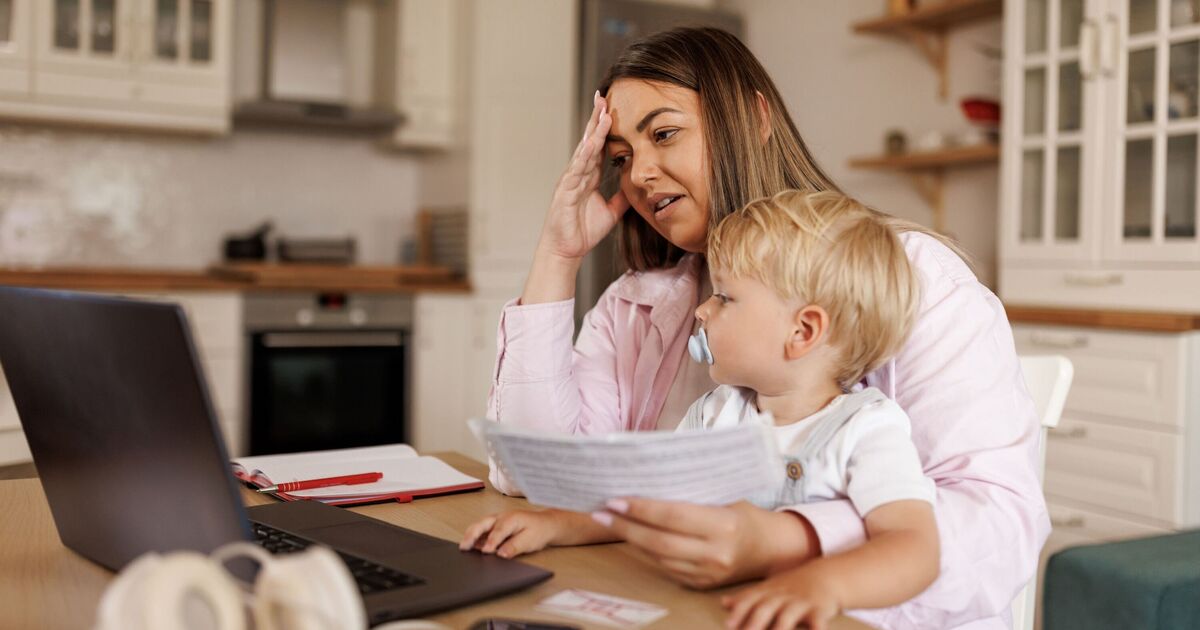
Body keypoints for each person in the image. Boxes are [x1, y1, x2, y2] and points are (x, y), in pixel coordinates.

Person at [475, 26, 1046, 629]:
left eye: (664, 134)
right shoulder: (639, 302)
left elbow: (996, 531)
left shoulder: (916, 280)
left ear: (753, 118)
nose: (639, 174)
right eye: (621, 158)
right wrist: (558, 255)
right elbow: (534, 475)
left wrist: (786, 538)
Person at [463, 189, 942, 630]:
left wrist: (823, 585)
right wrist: (553, 526)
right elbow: (648, 504)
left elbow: (914, 547)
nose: (702, 311)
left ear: (803, 332)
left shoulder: (867, 429)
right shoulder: (717, 410)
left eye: (725, 297)